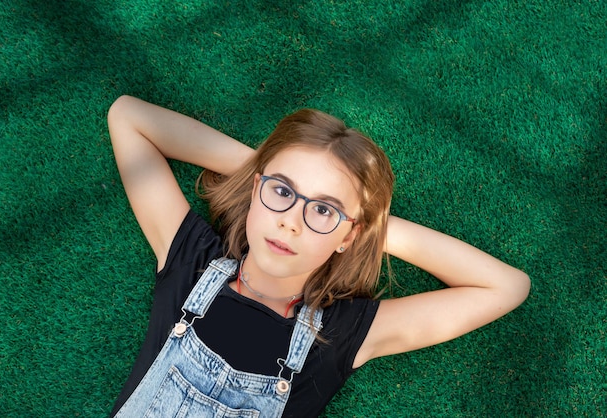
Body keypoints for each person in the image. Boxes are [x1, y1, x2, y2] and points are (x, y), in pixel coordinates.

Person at [106, 95, 530, 418]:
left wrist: (369, 225)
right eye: (282, 191)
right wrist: (266, 167)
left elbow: (506, 286)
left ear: (349, 236)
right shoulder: (190, 261)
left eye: (323, 210)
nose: (292, 221)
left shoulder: (343, 333)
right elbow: (128, 117)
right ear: (256, 189)